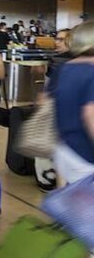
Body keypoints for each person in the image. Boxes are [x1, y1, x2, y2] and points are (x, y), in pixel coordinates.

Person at [50, 21, 94, 184]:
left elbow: (47, 100)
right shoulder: (91, 71)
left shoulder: (64, 68)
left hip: (65, 149)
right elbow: (90, 114)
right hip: (86, 154)